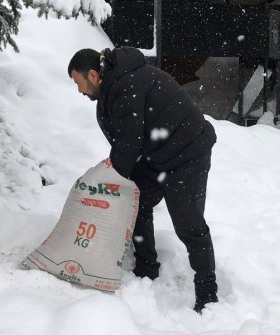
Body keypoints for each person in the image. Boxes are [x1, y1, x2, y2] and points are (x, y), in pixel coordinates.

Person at [68, 47, 218, 313]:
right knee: (136, 200)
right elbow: (125, 141)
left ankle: (208, 293)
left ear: (92, 74)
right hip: (157, 153)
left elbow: (128, 142)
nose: (79, 90)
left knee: (188, 224)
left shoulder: (125, 84)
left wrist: (111, 178)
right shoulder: (111, 87)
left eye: (78, 83)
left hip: (187, 153)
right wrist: (117, 177)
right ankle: (146, 268)